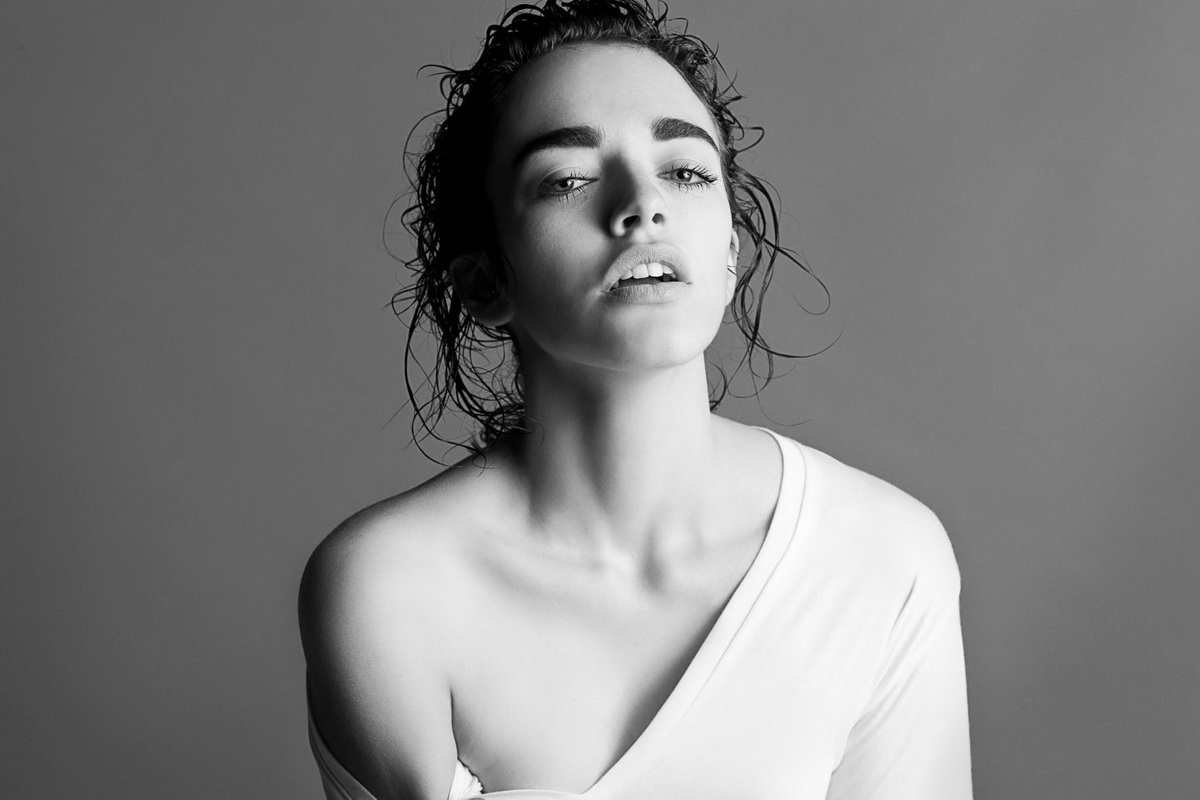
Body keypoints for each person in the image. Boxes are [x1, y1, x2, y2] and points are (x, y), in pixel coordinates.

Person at [298, 1, 973, 798]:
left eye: (684, 172)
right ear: (483, 282)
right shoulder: (390, 589)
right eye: (567, 180)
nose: (643, 205)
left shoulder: (880, 557)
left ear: (730, 255)